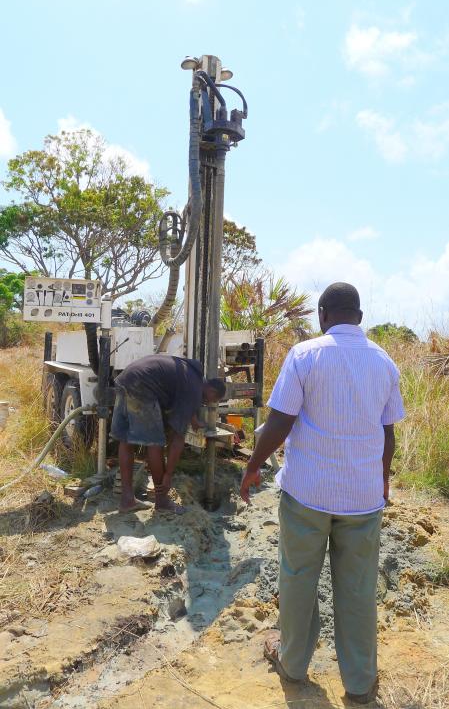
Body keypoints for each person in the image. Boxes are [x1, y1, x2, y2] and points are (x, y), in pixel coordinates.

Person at [240, 283, 405, 704]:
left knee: (298, 579)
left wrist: (254, 466)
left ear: (322, 314)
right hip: (362, 500)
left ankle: (293, 665)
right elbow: (387, 434)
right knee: (358, 589)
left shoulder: (305, 355)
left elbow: (280, 422)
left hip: (306, 495)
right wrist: (383, 479)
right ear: (360, 318)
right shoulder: (384, 362)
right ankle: (360, 683)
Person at [111, 354, 226, 514]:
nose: (208, 403)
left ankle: (127, 500)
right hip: (142, 387)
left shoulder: (192, 376)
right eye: (212, 400)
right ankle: (162, 501)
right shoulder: (194, 390)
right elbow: (177, 438)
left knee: (126, 440)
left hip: (126, 378)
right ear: (212, 391)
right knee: (155, 443)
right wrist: (168, 475)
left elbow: (182, 395)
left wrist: (192, 419)